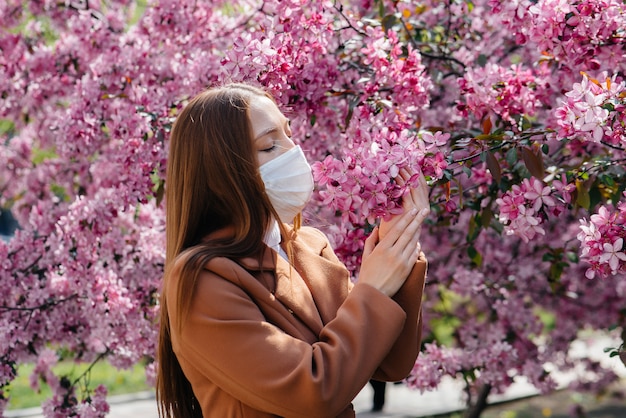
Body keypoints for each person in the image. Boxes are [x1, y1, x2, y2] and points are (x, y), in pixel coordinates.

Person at [156, 83, 430, 418]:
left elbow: (390, 364)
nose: (294, 152)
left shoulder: (309, 246)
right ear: (221, 172)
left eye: (289, 134)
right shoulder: (202, 279)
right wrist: (373, 289)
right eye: (269, 145)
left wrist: (397, 245)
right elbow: (314, 392)